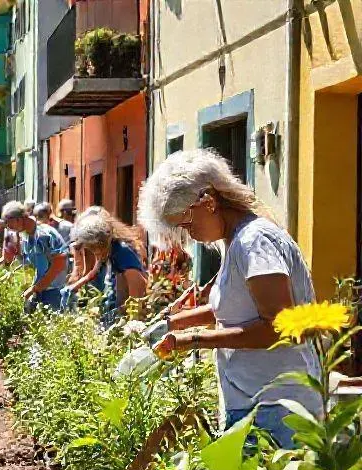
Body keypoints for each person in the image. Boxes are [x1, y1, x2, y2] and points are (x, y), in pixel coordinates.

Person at [143, 149, 321, 448]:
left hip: (277, 407)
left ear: (209, 202)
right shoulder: (236, 242)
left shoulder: (254, 242)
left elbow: (279, 327)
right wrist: (169, 324)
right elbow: (227, 309)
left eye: (187, 225)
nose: (189, 235)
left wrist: (196, 340)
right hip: (255, 399)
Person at [66, 212, 147, 323]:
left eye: (97, 247)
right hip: (121, 302)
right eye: (92, 248)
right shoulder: (109, 250)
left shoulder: (121, 251)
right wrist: (75, 286)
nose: (97, 252)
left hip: (131, 306)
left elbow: (138, 282)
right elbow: (94, 271)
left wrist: (133, 318)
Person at [1, 200, 68, 309]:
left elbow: (59, 264)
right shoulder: (27, 237)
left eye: (9, 222)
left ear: (18, 219)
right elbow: (30, 262)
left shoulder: (45, 234)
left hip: (54, 291)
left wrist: (35, 288)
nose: (8, 227)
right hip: (41, 290)